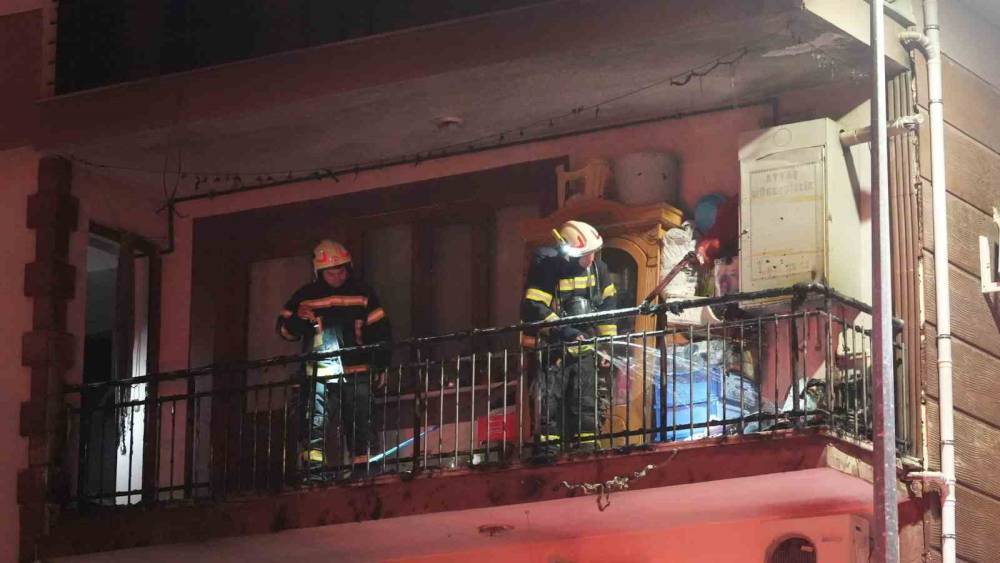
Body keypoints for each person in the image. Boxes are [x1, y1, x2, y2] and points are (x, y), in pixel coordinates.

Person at [276, 240, 391, 478]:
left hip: (357, 371)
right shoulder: (305, 296)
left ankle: (364, 474)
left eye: (342, 271)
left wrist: (381, 365)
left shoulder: (362, 293)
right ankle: (313, 475)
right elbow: (285, 330)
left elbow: (381, 332)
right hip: (317, 375)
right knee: (313, 425)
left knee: (361, 424)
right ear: (319, 272)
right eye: (332, 272)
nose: (338, 277)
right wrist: (298, 318)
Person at [521, 220, 618, 458]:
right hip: (555, 348)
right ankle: (548, 450)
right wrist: (566, 333)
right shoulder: (548, 269)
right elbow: (535, 307)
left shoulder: (599, 269)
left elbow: (609, 309)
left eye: (593, 252)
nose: (591, 259)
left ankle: (587, 448)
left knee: (586, 399)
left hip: (588, 347)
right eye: (585, 254)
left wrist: (607, 348)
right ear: (568, 251)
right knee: (550, 402)